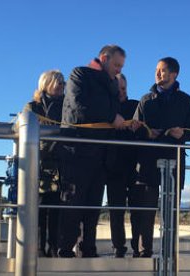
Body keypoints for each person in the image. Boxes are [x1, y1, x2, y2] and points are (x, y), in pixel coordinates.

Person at [57, 45, 126, 258]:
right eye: (116, 65)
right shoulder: (80, 74)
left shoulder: (114, 83)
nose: (118, 70)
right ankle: (65, 250)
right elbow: (79, 106)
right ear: (104, 58)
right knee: (73, 204)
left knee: (93, 206)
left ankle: (89, 248)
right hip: (77, 153)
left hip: (102, 155)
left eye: (121, 66)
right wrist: (111, 117)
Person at [131, 57, 190, 257]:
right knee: (147, 209)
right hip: (149, 161)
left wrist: (182, 134)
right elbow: (135, 128)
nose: (158, 73)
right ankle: (145, 250)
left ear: (174, 74)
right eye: (157, 70)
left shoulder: (187, 101)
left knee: (172, 210)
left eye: (162, 70)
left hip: (175, 160)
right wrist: (146, 133)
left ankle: (170, 251)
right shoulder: (145, 100)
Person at [24, 70, 65, 257]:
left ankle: (54, 248)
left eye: (63, 82)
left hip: (62, 165)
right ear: (46, 84)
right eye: (58, 82)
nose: (62, 85)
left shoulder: (67, 106)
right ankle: (38, 248)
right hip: (39, 165)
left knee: (57, 211)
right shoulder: (33, 107)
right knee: (39, 210)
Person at [105, 73, 139, 258]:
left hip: (134, 165)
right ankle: (118, 247)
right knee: (116, 210)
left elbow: (144, 128)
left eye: (124, 88)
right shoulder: (106, 108)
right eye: (118, 89)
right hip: (113, 165)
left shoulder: (136, 106)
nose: (121, 91)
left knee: (137, 210)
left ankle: (137, 246)